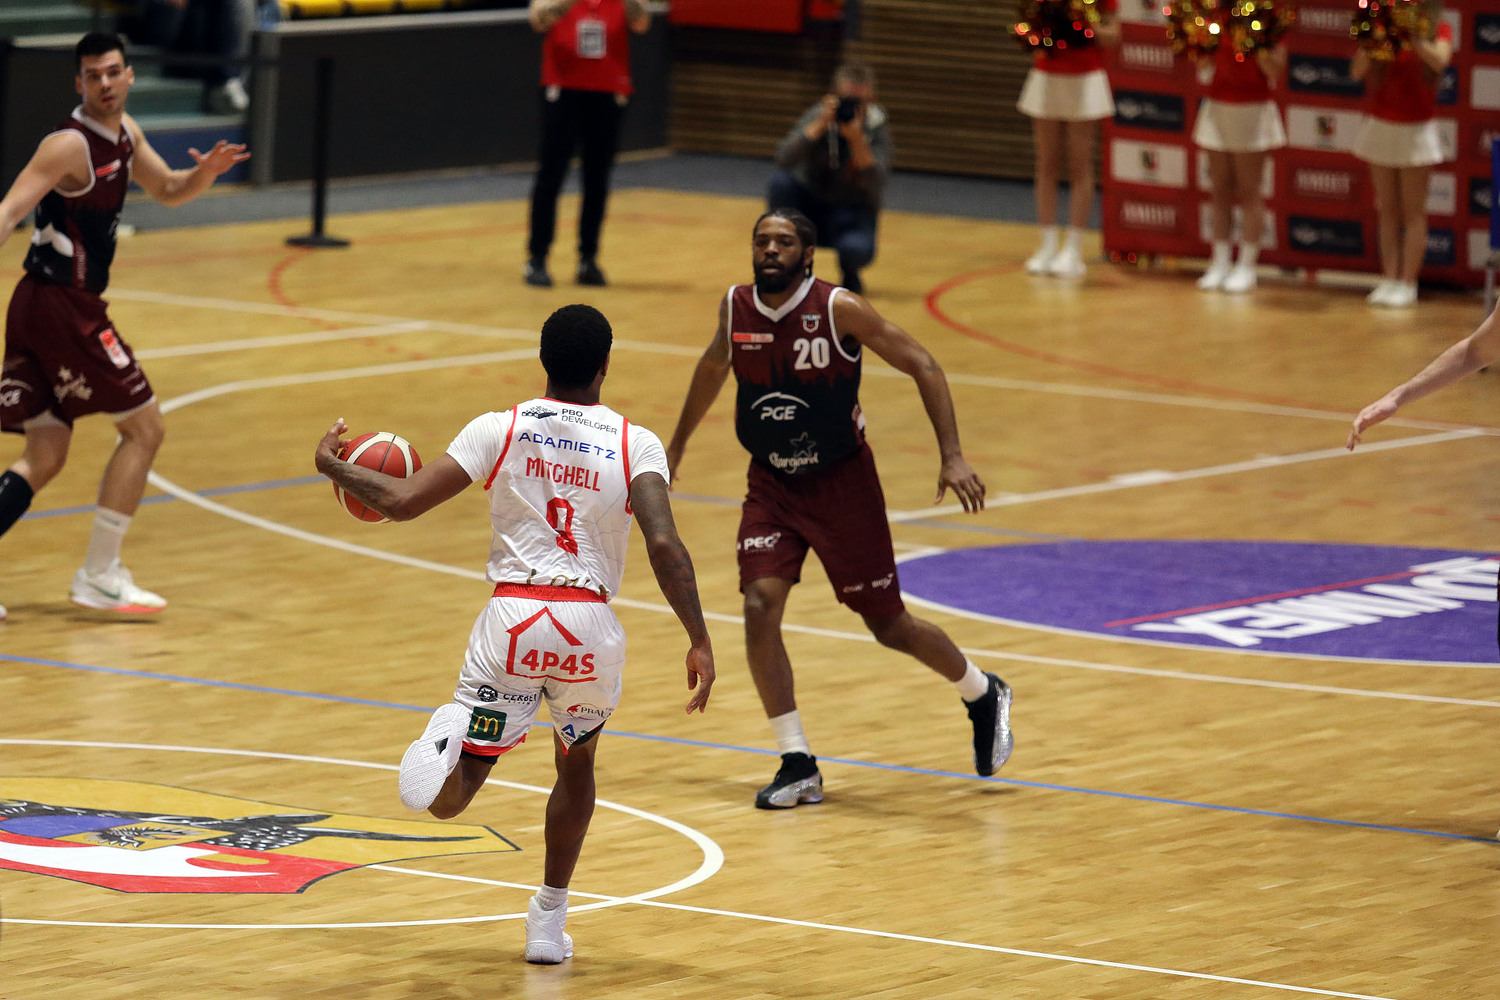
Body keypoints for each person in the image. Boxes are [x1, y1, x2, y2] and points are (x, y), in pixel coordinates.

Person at [314, 303, 715, 963]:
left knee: (457, 794)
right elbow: (665, 545)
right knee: (576, 764)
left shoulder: (497, 428)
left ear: (543, 361)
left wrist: (331, 464)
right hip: (587, 628)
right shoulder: (634, 443)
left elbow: (402, 501)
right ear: (605, 365)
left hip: (512, 621)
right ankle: (547, 923)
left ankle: (448, 743)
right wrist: (697, 635)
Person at [665, 208, 1011, 810]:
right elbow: (714, 365)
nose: (770, 249)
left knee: (889, 625)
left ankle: (982, 691)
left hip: (842, 484)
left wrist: (952, 455)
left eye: (784, 241)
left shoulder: (837, 309)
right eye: (762, 240)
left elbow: (923, 363)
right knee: (758, 605)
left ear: (807, 255)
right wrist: (676, 446)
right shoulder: (736, 307)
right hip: (772, 483)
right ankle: (797, 761)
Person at [0, 32, 249, 622]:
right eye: (93, 75)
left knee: (46, 454)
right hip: (63, 306)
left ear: (130, 75)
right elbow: (9, 210)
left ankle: (100, 575)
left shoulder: (127, 134)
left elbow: (168, 189)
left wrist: (207, 173)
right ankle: (99, 574)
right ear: (79, 83)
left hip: (44, 305)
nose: (105, 84)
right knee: (145, 429)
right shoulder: (68, 144)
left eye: (113, 72)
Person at [523, 0, 651, 289]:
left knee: (597, 179)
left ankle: (588, 258)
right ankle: (537, 257)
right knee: (551, 176)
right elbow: (538, 21)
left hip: (608, 91)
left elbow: (642, 23)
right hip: (563, 89)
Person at [1349, 6, 1454, 309]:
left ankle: (1408, 283)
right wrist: (1377, 38)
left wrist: (1414, 36)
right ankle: (1390, 279)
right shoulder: (1379, 25)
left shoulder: (1437, 27)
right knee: (1387, 210)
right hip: (1381, 124)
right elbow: (1356, 71)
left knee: (1413, 212)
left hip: (1417, 128)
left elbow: (1440, 61)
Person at [1016, 0, 1121, 279]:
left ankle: (1073, 249)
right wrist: (1038, 29)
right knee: (1046, 165)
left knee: (1079, 166)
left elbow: (1114, 35)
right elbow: (1029, 24)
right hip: (1047, 76)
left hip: (1085, 78)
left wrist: (1084, 25)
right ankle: (1047, 245)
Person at [767, 62, 892, 295]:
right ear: (833, 97)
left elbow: (877, 181)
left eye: (859, 103)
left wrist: (857, 140)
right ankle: (788, 269)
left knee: (857, 250)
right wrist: (820, 124)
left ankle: (850, 272)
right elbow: (783, 158)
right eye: (846, 101)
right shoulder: (819, 115)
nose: (852, 109)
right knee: (782, 183)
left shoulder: (877, 126)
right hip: (812, 205)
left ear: (872, 100)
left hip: (852, 211)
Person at [1191, 25, 1287, 294]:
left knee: (1250, 190)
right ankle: (1219, 263)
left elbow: (1275, 70)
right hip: (1218, 107)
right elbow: (1202, 65)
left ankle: (1246, 267)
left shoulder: (1266, 19)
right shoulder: (1215, 19)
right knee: (1219, 189)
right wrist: (1201, 42)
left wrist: (1254, 39)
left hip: (1253, 109)